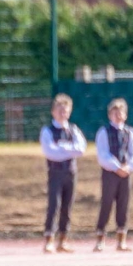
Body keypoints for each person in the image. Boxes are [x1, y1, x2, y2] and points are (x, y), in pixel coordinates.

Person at [39, 94, 87, 254]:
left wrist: (62, 147)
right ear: (53, 112)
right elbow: (50, 152)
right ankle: (49, 240)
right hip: (55, 172)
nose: (62, 113)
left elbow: (81, 149)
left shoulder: (73, 129)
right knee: (54, 205)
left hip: (71, 172)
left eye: (65, 111)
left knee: (67, 207)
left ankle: (63, 240)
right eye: (59, 110)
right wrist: (69, 149)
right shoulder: (47, 131)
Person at [94, 98, 133, 252]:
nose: (118, 116)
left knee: (123, 205)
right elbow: (103, 155)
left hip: (125, 174)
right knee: (106, 204)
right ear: (109, 115)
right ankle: (100, 239)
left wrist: (128, 167)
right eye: (115, 113)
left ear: (125, 115)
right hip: (110, 173)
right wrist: (116, 167)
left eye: (121, 113)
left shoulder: (129, 132)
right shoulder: (104, 132)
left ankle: (121, 240)